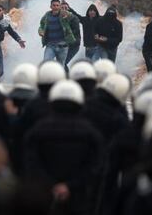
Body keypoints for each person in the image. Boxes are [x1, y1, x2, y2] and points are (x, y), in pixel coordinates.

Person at [24, 80, 104, 215]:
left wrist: (50, 183)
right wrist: (71, 185)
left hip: (44, 195)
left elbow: (31, 161)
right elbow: (96, 165)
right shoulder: (91, 133)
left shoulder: (38, 130)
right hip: (79, 197)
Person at [39, 0, 76, 66]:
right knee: (46, 63)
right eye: (54, 5)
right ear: (51, 6)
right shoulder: (47, 15)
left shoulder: (63, 13)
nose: (55, 7)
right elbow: (41, 25)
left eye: (57, 5)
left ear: (59, 6)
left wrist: (67, 14)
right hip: (50, 46)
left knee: (60, 67)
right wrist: (41, 31)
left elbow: (71, 16)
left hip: (63, 47)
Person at [61, 0, 81, 72]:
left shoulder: (74, 18)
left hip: (73, 46)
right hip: (63, 45)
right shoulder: (58, 19)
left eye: (66, 8)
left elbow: (74, 32)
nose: (64, 9)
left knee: (63, 62)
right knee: (61, 63)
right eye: (62, 8)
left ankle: (67, 78)